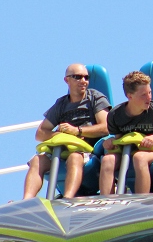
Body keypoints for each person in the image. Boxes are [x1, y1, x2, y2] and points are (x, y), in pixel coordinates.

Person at [23, 64, 110, 199]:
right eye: (78, 77)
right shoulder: (61, 104)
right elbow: (40, 133)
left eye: (86, 77)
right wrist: (60, 135)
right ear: (67, 80)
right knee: (37, 160)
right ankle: (26, 201)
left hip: (85, 151)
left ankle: (68, 199)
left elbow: (106, 127)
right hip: (61, 151)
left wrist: (77, 131)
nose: (83, 81)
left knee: (74, 157)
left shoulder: (95, 98)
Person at [99, 71, 153, 195]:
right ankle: (107, 201)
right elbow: (118, 139)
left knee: (139, 157)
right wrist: (110, 142)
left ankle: (141, 199)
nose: (149, 97)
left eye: (150, 92)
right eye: (143, 95)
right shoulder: (115, 115)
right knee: (107, 160)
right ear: (130, 96)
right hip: (126, 152)